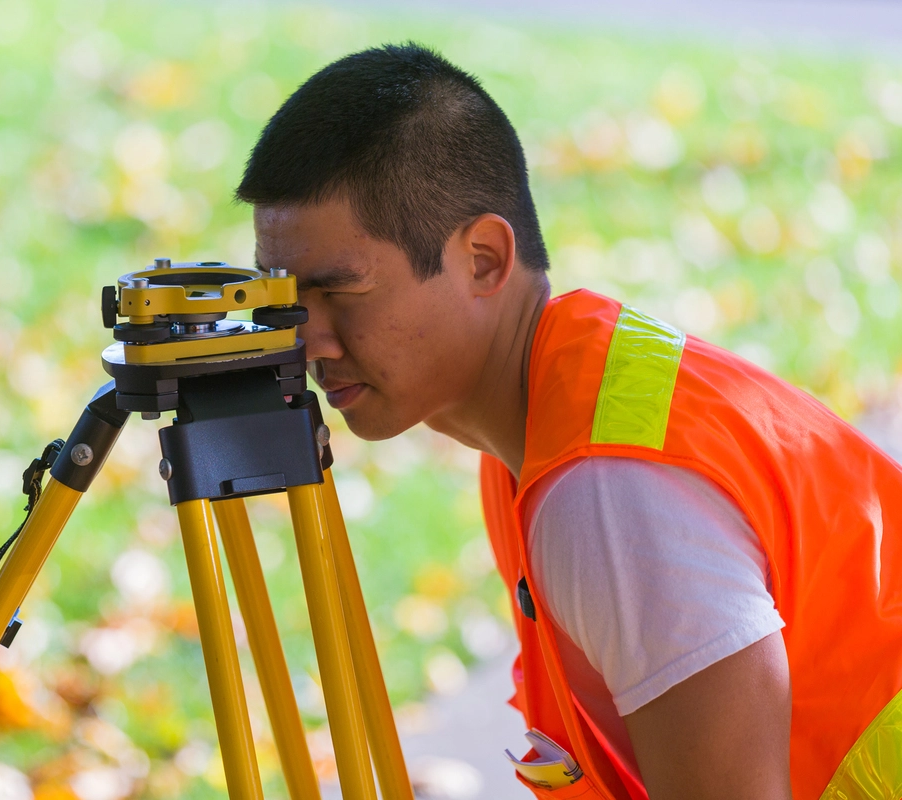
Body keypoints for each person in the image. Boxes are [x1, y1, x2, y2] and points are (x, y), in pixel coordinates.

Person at [236, 43, 902, 800]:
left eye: (340, 290)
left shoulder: (611, 491)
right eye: (283, 297)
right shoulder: (546, 420)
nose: (304, 337)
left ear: (484, 260)